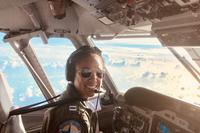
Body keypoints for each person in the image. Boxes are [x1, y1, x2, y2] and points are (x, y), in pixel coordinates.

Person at [41, 45, 104, 133]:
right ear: (71, 75)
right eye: (86, 72)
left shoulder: (70, 100)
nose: (94, 79)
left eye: (99, 73)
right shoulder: (73, 115)